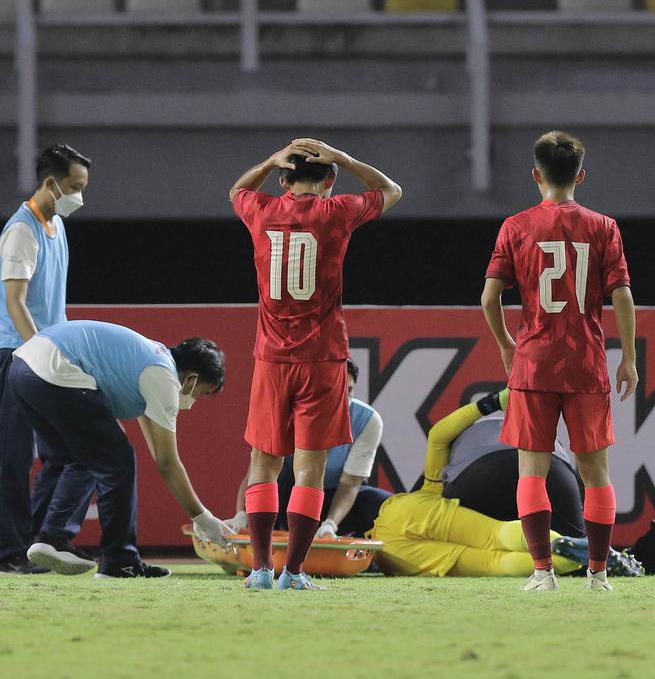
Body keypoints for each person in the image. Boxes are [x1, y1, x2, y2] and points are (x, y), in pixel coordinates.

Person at [230, 138, 402, 591]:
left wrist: (269, 159)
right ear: (328, 181)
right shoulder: (336, 213)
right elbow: (391, 190)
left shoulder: (263, 211)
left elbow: (235, 191)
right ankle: (294, 572)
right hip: (324, 358)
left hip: (272, 357)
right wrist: (344, 158)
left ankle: (262, 570)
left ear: (284, 179)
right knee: (309, 470)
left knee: (263, 465)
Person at [481, 130, 638, 592]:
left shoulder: (516, 226)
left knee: (532, 471)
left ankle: (543, 572)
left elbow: (489, 298)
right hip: (585, 362)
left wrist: (507, 344)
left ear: (536, 175)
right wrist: (628, 357)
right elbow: (623, 294)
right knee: (596, 473)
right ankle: (598, 573)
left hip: (534, 363)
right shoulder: (603, 226)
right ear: (581, 176)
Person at [3, 320, 232, 578]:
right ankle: (117, 560)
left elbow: (159, 456)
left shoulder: (150, 359)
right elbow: (168, 462)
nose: (194, 402)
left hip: (21, 369)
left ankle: (50, 537)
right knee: (116, 461)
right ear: (191, 379)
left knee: (79, 457)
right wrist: (203, 518)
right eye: (201, 393)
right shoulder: (163, 377)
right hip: (56, 371)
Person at [369, 389, 638, 578]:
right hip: (409, 511)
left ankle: (567, 556)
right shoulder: (424, 492)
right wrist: (494, 402)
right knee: (496, 534)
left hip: (400, 554)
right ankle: (571, 545)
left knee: (495, 563)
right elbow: (438, 434)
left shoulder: (389, 562)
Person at [0, 144, 97, 575]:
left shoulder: (57, 225)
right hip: (17, 355)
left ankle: (35, 541)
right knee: (13, 459)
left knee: (65, 453)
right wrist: (38, 353)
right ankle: (9, 552)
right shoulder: (21, 230)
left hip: (44, 356)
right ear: (51, 184)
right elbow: (16, 301)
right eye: (75, 188)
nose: (80, 196)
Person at [227, 359, 392, 539]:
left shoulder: (368, 420)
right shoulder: (283, 413)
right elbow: (258, 470)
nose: (343, 400)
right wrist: (242, 514)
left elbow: (350, 484)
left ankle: (357, 548)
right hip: (287, 497)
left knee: (383, 505)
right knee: (280, 471)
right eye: (335, 391)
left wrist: (330, 524)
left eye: (350, 391)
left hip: (332, 499)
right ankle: (266, 535)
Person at [419, 388, 585, 537]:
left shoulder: (424, 497)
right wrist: (492, 403)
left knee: (484, 553)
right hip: (550, 467)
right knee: (578, 556)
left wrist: (492, 403)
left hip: (480, 473)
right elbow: (438, 436)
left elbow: (437, 436)